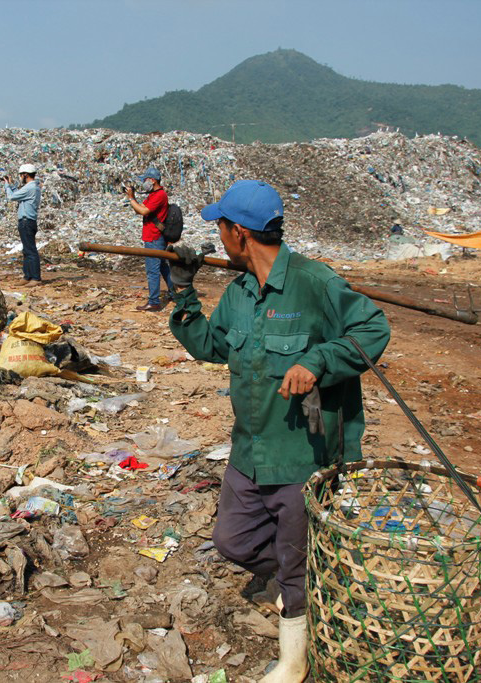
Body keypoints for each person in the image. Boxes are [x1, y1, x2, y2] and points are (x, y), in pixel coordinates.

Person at [166, 180, 390, 683]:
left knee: (294, 560)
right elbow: (208, 346)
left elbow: (373, 330)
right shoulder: (240, 292)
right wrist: (182, 291)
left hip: (303, 457)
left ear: (239, 233)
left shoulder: (315, 284)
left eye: (220, 227)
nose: (218, 237)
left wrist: (318, 360)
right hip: (250, 452)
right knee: (233, 541)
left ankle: (294, 659)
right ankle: (309, 585)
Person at [125, 167, 175, 311]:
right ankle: (174, 293)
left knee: (152, 270)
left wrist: (131, 197)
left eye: (145, 180)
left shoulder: (159, 195)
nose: (143, 183)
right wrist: (133, 198)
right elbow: (139, 209)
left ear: (152, 180)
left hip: (154, 237)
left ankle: (154, 302)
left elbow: (144, 211)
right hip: (152, 236)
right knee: (162, 267)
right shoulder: (153, 195)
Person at [4, 163, 42, 286]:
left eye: (21, 175)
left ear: (25, 174)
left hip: (26, 221)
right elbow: (19, 195)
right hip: (27, 221)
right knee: (26, 250)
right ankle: (27, 276)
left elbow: (11, 197)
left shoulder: (30, 187)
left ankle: (35, 278)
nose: (20, 177)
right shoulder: (32, 187)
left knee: (30, 250)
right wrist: (11, 185)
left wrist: (7, 186)